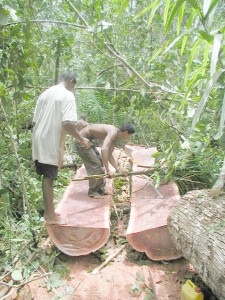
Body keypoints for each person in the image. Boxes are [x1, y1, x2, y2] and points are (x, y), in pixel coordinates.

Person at [32, 71, 92, 225]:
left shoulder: (45, 94)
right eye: (74, 86)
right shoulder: (67, 95)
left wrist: (77, 124)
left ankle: (48, 211)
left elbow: (38, 120)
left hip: (39, 137)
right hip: (50, 140)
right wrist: (81, 138)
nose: (73, 89)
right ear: (71, 81)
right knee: (49, 177)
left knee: (47, 175)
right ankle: (51, 216)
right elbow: (66, 123)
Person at [74, 123, 135, 198]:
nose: (129, 137)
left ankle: (101, 190)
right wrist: (108, 170)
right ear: (126, 132)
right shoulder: (113, 132)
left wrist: (118, 169)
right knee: (96, 165)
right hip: (80, 141)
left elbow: (109, 154)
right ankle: (93, 191)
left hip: (87, 140)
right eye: (130, 135)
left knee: (100, 162)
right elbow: (104, 149)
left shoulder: (115, 136)